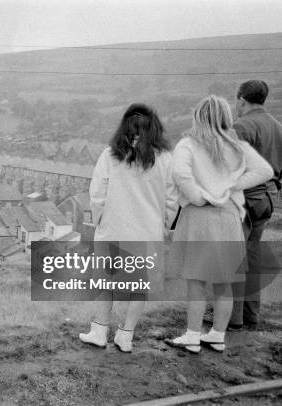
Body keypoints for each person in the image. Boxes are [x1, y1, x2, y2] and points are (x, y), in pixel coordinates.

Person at [168, 95, 273, 354]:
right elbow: (265, 172)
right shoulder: (237, 145)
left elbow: (180, 174)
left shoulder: (188, 144)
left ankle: (192, 336)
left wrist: (198, 196)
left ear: (198, 116)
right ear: (226, 117)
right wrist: (230, 186)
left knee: (196, 280)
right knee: (225, 282)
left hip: (199, 215)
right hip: (228, 215)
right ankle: (217, 335)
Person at [78, 103, 178, 352]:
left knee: (105, 282)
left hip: (113, 228)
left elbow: (97, 195)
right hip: (147, 232)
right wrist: (164, 225)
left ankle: (100, 331)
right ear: (154, 126)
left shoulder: (110, 155)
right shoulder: (165, 158)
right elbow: (172, 200)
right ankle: (125, 336)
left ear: (124, 126)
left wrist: (100, 220)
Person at [229, 80, 282, 330]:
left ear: (241, 99)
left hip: (247, 200)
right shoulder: (277, 126)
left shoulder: (242, 125)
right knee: (251, 255)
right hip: (269, 198)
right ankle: (250, 316)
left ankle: (233, 318)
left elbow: (230, 166)